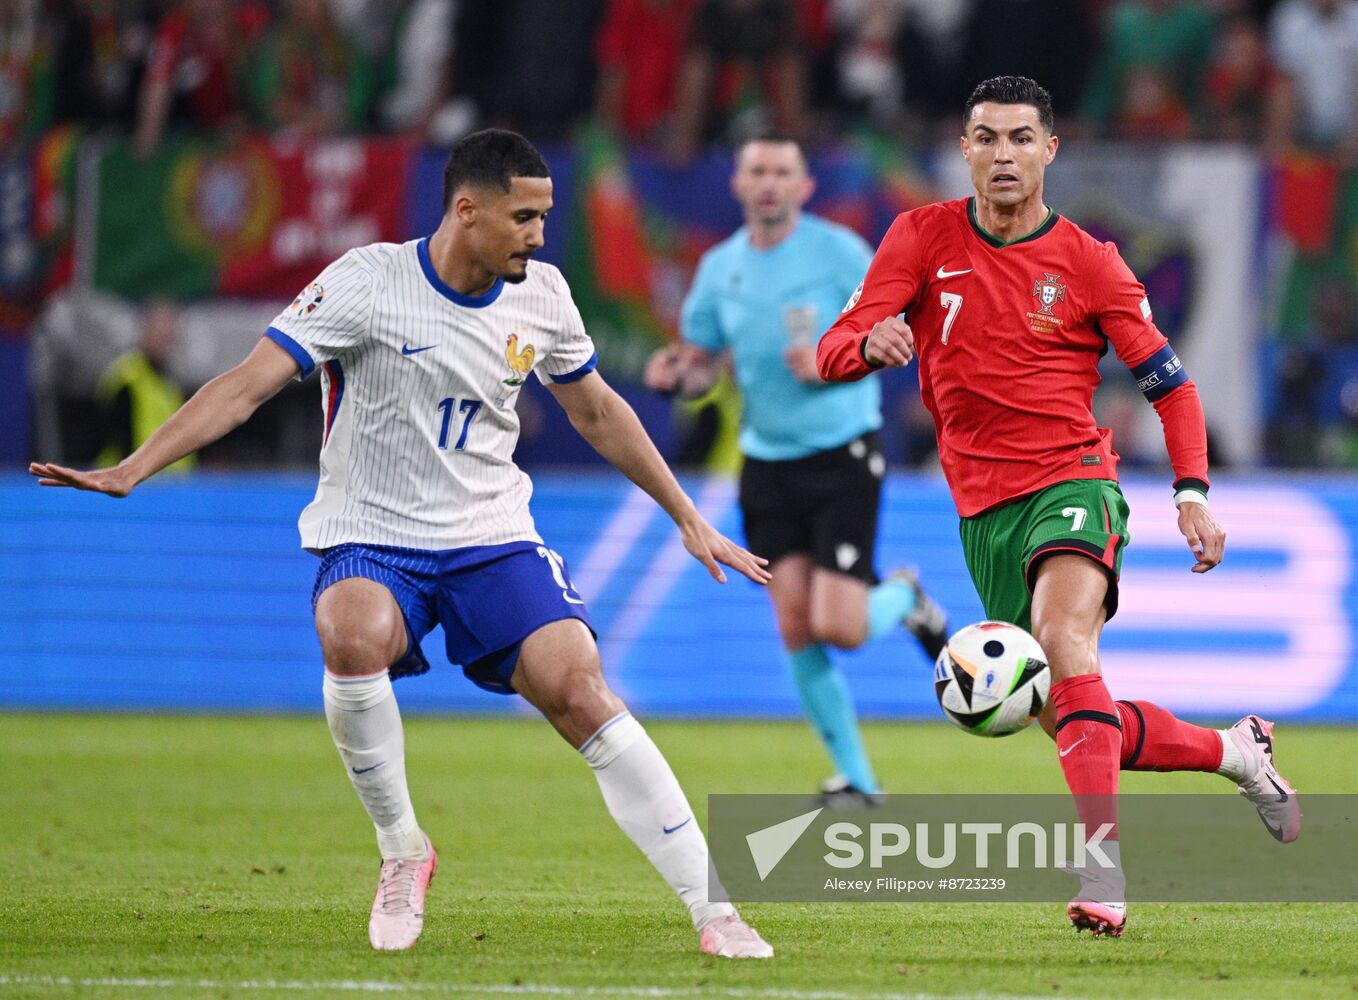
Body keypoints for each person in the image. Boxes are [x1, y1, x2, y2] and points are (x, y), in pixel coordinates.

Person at [29, 128, 774, 960]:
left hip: (490, 535)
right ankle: (402, 848)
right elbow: (245, 385)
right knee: (350, 635)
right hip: (374, 534)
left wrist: (685, 513)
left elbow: (597, 411)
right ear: (468, 210)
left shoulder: (545, 296)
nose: (539, 234)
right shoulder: (366, 283)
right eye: (524, 218)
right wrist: (136, 467)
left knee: (581, 690)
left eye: (545, 217)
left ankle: (716, 910)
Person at [816, 76, 1301, 937]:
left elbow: (1174, 390)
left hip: (1073, 481)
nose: (1003, 154)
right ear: (964, 149)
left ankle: (1103, 871)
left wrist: (1190, 491)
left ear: (1050, 150)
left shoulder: (1089, 260)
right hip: (982, 512)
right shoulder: (920, 237)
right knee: (1072, 711)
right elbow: (830, 350)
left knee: (1063, 642)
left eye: (1020, 138)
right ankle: (1234, 751)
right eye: (986, 138)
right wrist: (867, 342)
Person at [644, 133, 949, 808]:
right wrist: (676, 375)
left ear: (805, 186)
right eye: (757, 170)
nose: (770, 182)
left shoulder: (838, 253)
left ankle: (906, 597)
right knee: (794, 626)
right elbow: (702, 364)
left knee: (839, 624)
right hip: (767, 462)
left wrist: (837, 356)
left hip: (842, 451)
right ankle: (860, 781)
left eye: (783, 171)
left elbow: (896, 327)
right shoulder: (720, 269)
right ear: (739, 183)